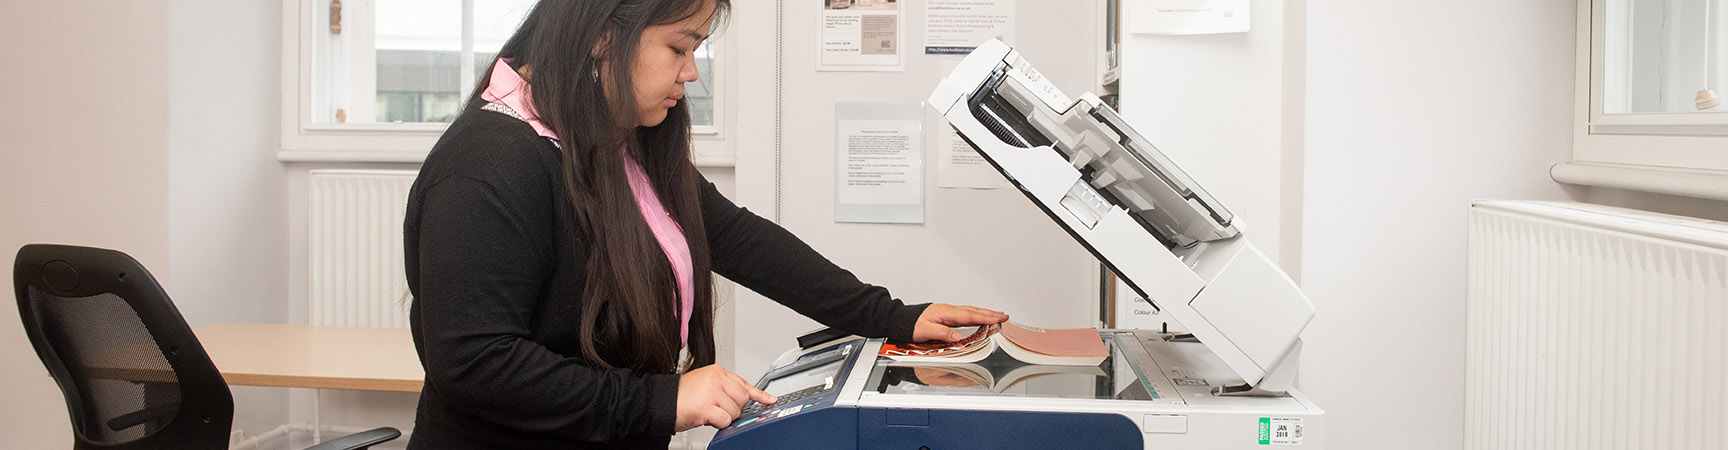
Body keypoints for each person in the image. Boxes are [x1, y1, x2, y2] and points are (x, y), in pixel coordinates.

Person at [401, 0, 1008, 448]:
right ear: (601, 37)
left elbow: (739, 239)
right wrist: (662, 400)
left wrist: (891, 315)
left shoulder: (616, 144)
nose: (691, 74)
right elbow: (476, 365)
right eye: (679, 48)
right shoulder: (487, 165)